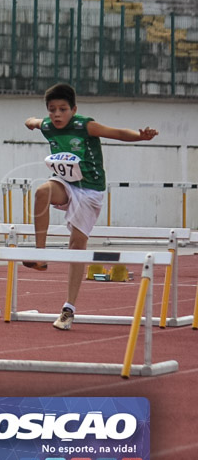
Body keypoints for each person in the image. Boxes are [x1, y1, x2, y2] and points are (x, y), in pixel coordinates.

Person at [23, 82, 158, 331]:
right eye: (52, 110)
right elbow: (33, 121)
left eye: (62, 109)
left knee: (77, 245)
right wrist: (30, 121)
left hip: (90, 190)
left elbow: (116, 133)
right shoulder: (48, 126)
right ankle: (39, 255)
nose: (57, 115)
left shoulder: (84, 125)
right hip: (66, 184)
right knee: (42, 192)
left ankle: (68, 309)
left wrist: (141, 136)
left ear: (73, 109)